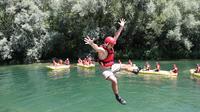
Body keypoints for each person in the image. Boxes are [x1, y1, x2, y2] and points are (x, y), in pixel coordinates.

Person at [84, 18, 130, 105]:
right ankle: (117, 97)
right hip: (105, 70)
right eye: (111, 44)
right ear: (106, 44)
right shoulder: (102, 50)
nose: (113, 45)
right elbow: (96, 48)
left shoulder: (111, 45)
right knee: (114, 81)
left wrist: (121, 26)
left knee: (127, 66)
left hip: (112, 66)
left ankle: (136, 70)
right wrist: (91, 43)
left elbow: (117, 35)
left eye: (113, 44)